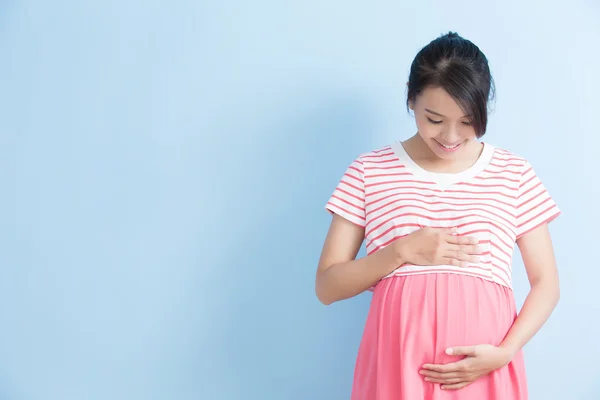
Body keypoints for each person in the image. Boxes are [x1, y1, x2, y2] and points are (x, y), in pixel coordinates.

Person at [315, 32, 560, 400]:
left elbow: (547, 283)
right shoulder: (369, 171)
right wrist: (400, 252)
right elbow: (326, 287)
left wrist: (505, 353)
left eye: (467, 121)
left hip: (483, 368)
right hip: (396, 368)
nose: (449, 136)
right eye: (433, 118)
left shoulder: (514, 172)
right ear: (410, 98)